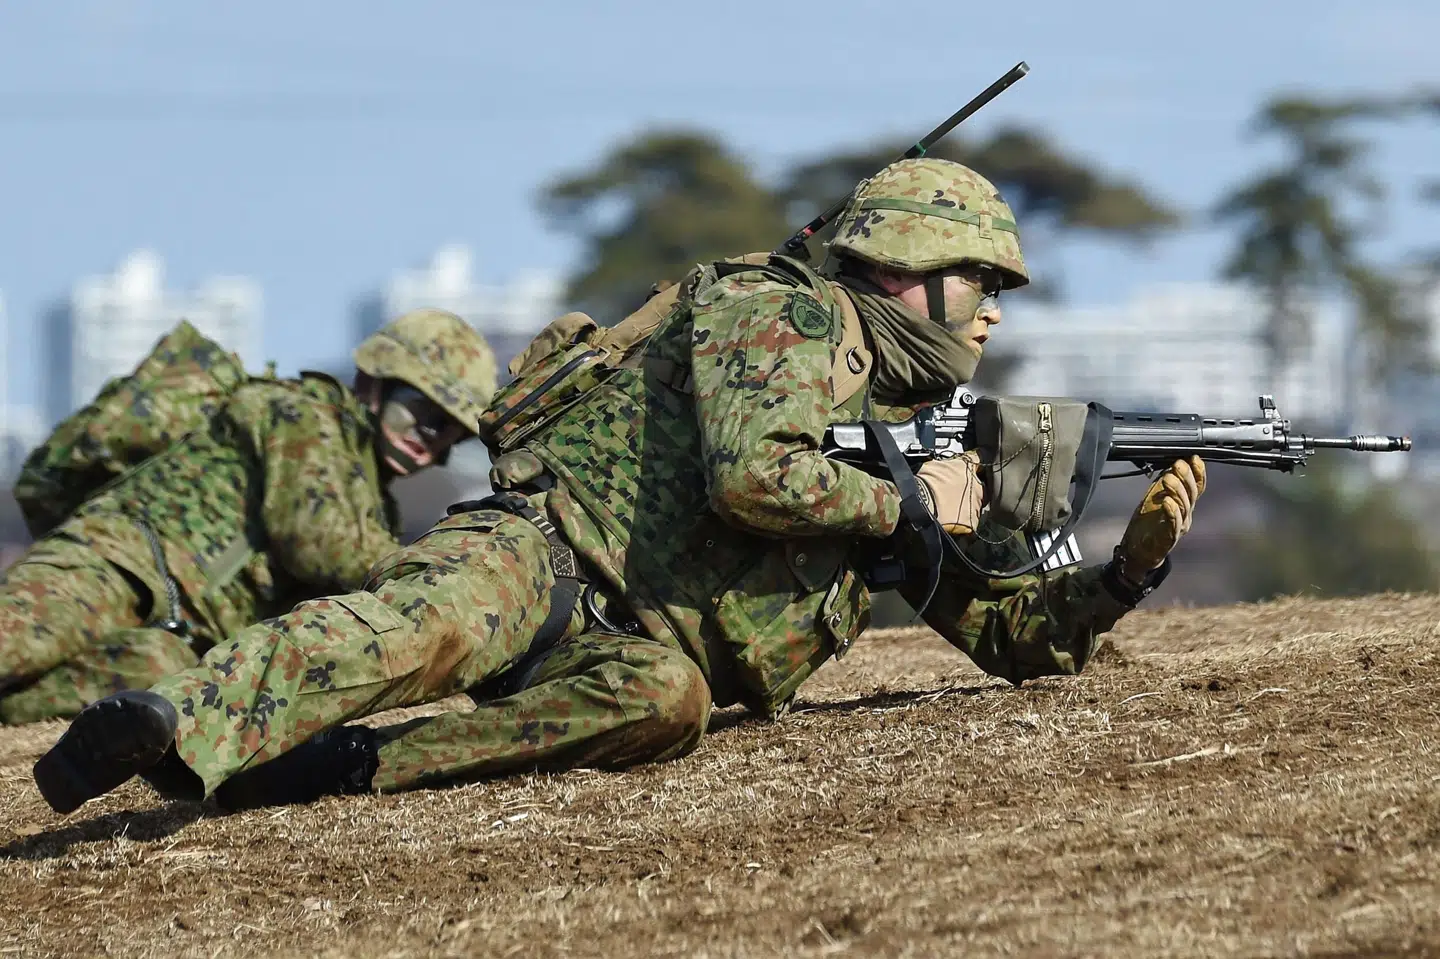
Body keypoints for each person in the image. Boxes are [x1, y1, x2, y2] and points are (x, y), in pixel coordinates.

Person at [33, 158, 1205, 815]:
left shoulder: (914, 425)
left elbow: (1007, 635)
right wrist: (913, 502)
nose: (997, 305)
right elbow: (755, 475)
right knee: (417, 624)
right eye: (979, 276)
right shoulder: (782, 313)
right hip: (544, 552)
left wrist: (1128, 571)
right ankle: (182, 721)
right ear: (902, 269)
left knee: (668, 707)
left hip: (639, 645)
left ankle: (330, 771)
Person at [0, 309, 497, 724]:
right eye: (420, 410)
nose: (429, 436)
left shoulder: (371, 501)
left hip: (174, 642)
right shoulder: (302, 416)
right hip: (112, 567)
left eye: (449, 430)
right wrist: (437, 580)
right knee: (13, 643)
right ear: (375, 382)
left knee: (141, 686)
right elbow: (319, 543)